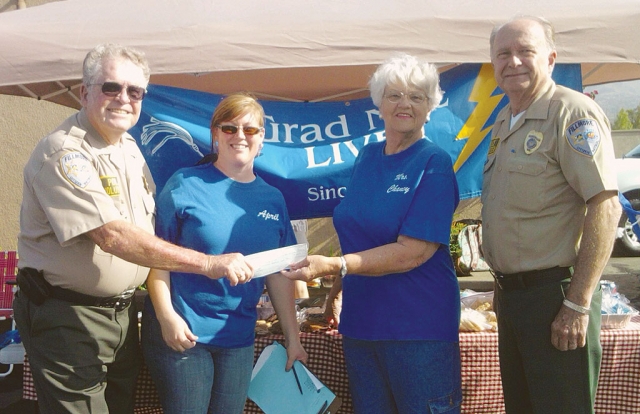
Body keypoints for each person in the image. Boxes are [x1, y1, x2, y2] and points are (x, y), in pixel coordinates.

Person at [13, 44, 259, 414]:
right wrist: (208, 263)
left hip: (123, 317)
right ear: (84, 92)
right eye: (111, 87)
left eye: (135, 91)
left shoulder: (128, 146)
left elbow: (145, 229)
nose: (123, 99)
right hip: (70, 316)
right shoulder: (64, 153)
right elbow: (113, 236)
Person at [283, 53, 462, 414]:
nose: (405, 104)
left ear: (430, 106)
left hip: (417, 329)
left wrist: (335, 266)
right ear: (378, 102)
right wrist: (337, 289)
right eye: (395, 95)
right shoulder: (367, 157)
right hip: (362, 326)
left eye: (417, 96)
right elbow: (361, 235)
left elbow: (412, 252)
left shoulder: (434, 163)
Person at [482, 16, 622, 414]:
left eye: (525, 51)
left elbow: (605, 206)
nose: (514, 62)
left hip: (556, 297)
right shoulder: (503, 122)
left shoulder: (572, 113)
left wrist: (578, 302)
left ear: (551, 58)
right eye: (503, 54)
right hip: (513, 299)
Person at [141, 92, 307, 414]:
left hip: (238, 339)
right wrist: (166, 317)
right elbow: (155, 257)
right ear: (215, 134)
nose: (240, 136)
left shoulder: (272, 199)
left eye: (250, 130)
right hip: (185, 333)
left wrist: (293, 338)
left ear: (262, 139)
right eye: (229, 128)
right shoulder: (184, 184)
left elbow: (278, 273)